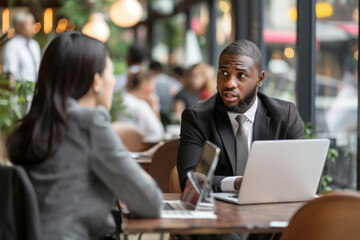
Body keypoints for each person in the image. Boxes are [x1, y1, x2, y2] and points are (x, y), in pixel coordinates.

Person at [6, 32, 162, 240]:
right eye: (111, 73)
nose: (114, 82)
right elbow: (150, 202)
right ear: (96, 82)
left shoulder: (36, 121)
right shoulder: (89, 122)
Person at [177, 39, 305, 193]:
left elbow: (306, 181)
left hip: (269, 208)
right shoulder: (197, 117)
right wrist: (236, 183)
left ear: (260, 79)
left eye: (241, 75)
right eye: (224, 73)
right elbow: (189, 180)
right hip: (219, 212)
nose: (229, 83)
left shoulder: (285, 115)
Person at [118, 69, 165, 141]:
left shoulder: (122, 99)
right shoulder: (141, 106)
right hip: (141, 148)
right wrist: (154, 107)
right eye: (153, 85)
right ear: (146, 86)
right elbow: (158, 132)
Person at [1, 12, 41, 84]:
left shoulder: (34, 45)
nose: (33, 27)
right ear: (18, 26)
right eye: (29, 24)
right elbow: (10, 74)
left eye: (33, 24)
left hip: (36, 91)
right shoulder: (12, 46)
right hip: (20, 93)